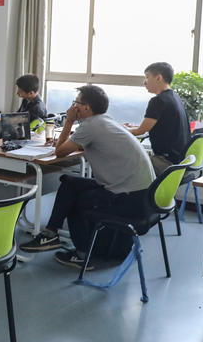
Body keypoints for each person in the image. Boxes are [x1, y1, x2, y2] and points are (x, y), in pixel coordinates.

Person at [19, 85, 154, 269]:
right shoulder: (105, 121)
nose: (73, 106)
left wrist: (68, 121)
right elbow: (88, 145)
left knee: (77, 201)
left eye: (76, 102)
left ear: (86, 107)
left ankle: (82, 254)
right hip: (142, 193)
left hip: (129, 197)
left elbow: (59, 152)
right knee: (70, 183)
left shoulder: (90, 126)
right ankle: (50, 234)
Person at [125, 62, 189, 175]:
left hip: (165, 163)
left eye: (147, 77)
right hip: (179, 161)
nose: (144, 82)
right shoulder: (174, 97)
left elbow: (140, 131)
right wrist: (130, 127)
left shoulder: (158, 101)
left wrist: (118, 129)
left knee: (122, 163)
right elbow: (151, 126)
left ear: (158, 78)